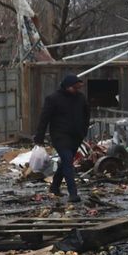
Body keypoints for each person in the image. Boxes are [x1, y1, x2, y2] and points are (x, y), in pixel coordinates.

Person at [33, 72, 90, 204]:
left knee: (65, 162)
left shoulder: (80, 98)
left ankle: (54, 187)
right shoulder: (53, 99)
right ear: (66, 86)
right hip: (60, 136)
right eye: (73, 87)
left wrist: (83, 131)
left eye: (77, 88)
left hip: (76, 136)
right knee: (68, 161)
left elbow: (87, 115)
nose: (76, 90)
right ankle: (73, 193)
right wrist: (39, 137)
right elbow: (44, 119)